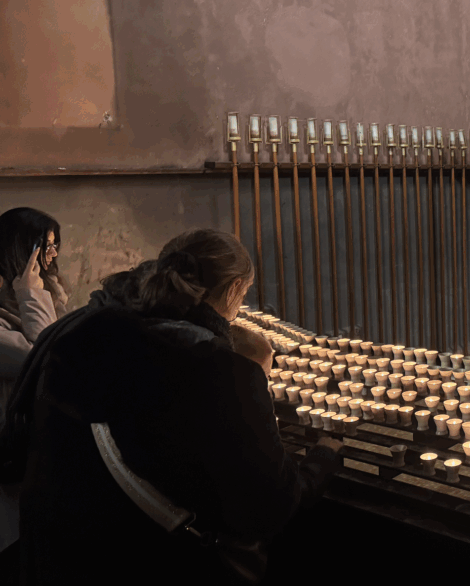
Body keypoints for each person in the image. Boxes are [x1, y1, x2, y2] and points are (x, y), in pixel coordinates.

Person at [5, 229, 342, 584]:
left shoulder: (81, 327)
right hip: (151, 561)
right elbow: (269, 504)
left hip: (55, 550)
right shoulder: (215, 368)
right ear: (233, 291)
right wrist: (321, 460)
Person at [0, 208, 67, 558]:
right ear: (22, 251)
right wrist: (30, 294)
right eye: (46, 246)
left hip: (32, 459)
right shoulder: (20, 304)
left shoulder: (44, 298)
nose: (53, 256)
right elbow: (44, 360)